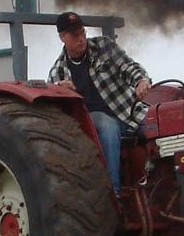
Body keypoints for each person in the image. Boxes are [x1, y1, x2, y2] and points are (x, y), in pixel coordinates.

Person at [48, 12, 151, 194]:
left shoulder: (104, 47)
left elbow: (129, 66)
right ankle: (114, 193)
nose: (81, 39)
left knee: (158, 125)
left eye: (82, 32)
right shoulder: (58, 73)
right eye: (75, 35)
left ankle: (160, 180)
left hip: (128, 113)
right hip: (93, 123)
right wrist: (62, 92)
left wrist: (141, 80)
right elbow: (56, 113)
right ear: (62, 37)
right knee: (107, 125)